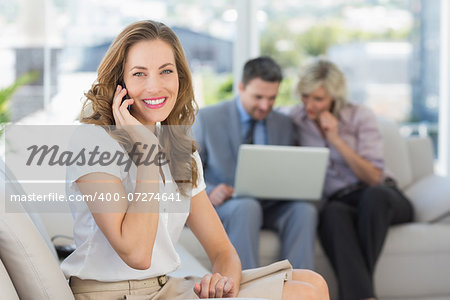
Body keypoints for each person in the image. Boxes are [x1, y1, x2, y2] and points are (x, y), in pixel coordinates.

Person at [60, 20, 329, 300]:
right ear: (120, 82)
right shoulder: (93, 141)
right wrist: (146, 153)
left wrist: (223, 284)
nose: (155, 86)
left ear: (180, 77)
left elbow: (223, 252)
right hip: (114, 294)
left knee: (312, 281)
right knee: (303, 294)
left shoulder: (178, 148)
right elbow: (137, 254)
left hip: (165, 287)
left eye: (166, 71)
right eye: (139, 74)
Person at [290, 59, 413, 300]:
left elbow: (374, 177)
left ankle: (360, 292)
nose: (309, 105)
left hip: (382, 196)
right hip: (341, 201)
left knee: (374, 198)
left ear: (334, 98)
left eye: (318, 99)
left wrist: (336, 139)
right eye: (305, 96)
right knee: (332, 214)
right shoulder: (296, 119)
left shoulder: (360, 116)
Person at [193, 56, 317, 271]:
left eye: (272, 98)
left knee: (304, 210)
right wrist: (211, 191)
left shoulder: (283, 123)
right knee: (246, 206)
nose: (265, 105)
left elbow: (287, 170)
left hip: (270, 204)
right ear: (241, 87)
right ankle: (248, 290)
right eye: (258, 97)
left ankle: (298, 290)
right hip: (229, 205)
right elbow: (188, 173)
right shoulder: (207, 118)